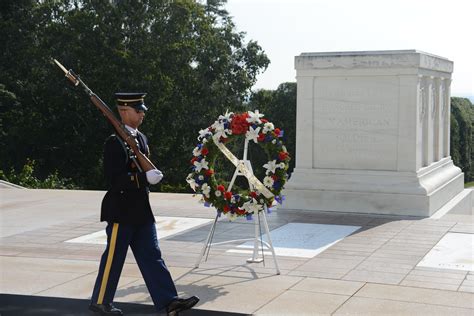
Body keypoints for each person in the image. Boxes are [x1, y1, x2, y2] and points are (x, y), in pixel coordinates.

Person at [89, 93, 199, 316]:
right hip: (121, 210)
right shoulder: (114, 142)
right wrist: (142, 179)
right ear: (123, 112)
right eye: (137, 110)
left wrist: (149, 176)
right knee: (114, 257)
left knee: (152, 255)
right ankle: (101, 302)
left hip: (141, 209)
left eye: (141, 110)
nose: (142, 113)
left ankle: (168, 302)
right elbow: (113, 178)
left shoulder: (141, 139)